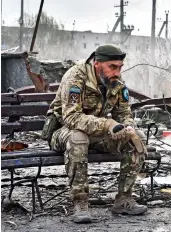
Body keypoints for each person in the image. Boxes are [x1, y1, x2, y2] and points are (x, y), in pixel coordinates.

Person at [43, 44, 148, 224]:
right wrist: (107, 124)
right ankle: (80, 203)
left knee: (134, 138)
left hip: (95, 132)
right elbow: (72, 118)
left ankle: (124, 199)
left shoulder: (115, 82)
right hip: (63, 132)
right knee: (78, 138)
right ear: (97, 63)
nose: (117, 72)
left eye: (120, 67)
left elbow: (123, 114)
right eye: (112, 67)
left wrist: (127, 127)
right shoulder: (75, 77)